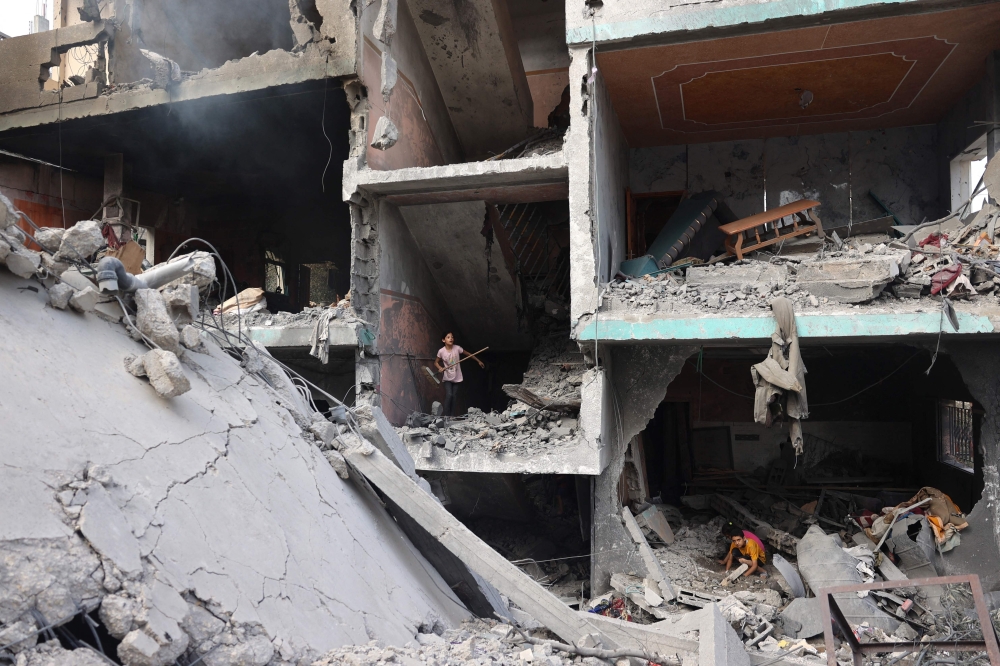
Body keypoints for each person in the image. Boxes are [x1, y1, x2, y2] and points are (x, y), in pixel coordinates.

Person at [435, 332, 484, 416]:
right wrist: (439, 368)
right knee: (449, 395)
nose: (451, 339)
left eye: (452, 337)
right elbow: (436, 362)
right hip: (447, 378)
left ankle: (452, 416)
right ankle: (446, 416)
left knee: (454, 396)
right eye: (448, 337)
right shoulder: (441, 351)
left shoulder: (457, 348)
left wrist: (478, 361)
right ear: (443, 340)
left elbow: (468, 354)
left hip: (457, 378)